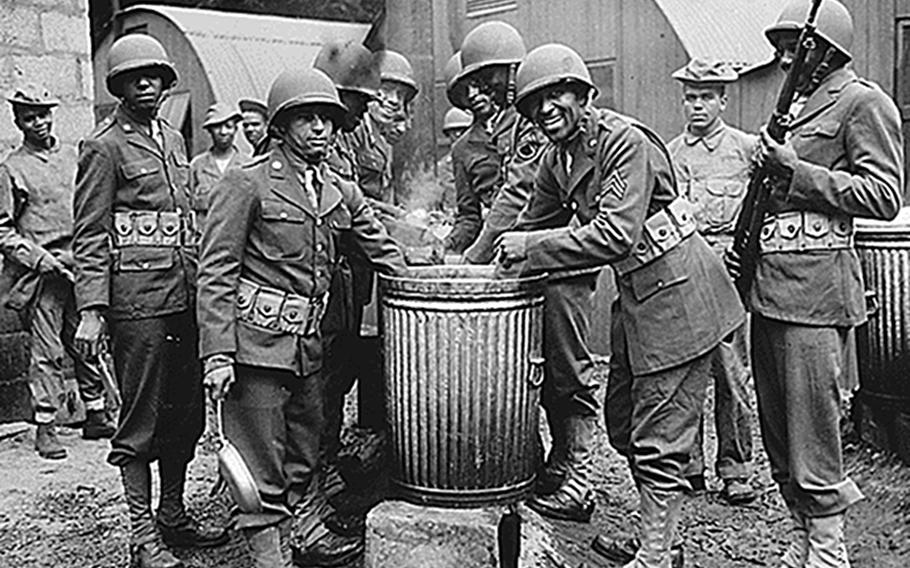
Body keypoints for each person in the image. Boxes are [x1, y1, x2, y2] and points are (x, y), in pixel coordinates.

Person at [494, 43, 744, 567]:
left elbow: (615, 234)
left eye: (557, 94)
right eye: (535, 102)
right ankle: (662, 539)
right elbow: (525, 224)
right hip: (638, 298)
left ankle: (655, 555)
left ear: (584, 95)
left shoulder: (622, 142)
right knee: (623, 422)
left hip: (679, 294)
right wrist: (470, 268)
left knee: (659, 433)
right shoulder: (557, 157)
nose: (546, 109)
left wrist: (531, 249)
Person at [196, 67, 407, 568]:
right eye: (306, 119)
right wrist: (217, 355)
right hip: (255, 348)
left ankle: (304, 536)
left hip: (310, 349)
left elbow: (385, 251)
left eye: (328, 120)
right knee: (259, 460)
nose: (320, 129)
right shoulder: (246, 184)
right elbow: (216, 271)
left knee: (306, 451)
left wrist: (437, 281)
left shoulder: (340, 191)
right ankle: (270, 556)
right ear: (281, 126)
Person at [736, 1, 903, 566]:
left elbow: (883, 195)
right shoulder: (797, 110)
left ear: (828, 49)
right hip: (770, 288)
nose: (784, 59)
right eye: (782, 47)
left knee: (813, 430)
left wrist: (794, 171)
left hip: (816, 293)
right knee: (778, 432)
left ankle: (829, 551)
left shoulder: (863, 102)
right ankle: (802, 540)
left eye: (795, 47)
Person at [71, 34, 227, 568]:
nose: (147, 84)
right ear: (118, 85)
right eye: (134, 77)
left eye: (155, 76)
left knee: (184, 415)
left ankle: (173, 515)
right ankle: (142, 538)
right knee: (139, 423)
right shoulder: (102, 146)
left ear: (165, 82)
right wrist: (92, 310)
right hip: (136, 306)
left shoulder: (174, 140)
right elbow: (89, 234)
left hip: (183, 297)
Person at [444, 22, 601, 525]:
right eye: (469, 86)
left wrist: (475, 259)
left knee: (565, 367)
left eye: (488, 80)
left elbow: (520, 193)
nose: (478, 93)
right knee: (516, 370)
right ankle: (536, 462)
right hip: (505, 265)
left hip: (554, 260)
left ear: (512, 75)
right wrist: (453, 250)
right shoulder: (467, 146)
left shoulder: (535, 121)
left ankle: (577, 472)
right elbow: (473, 210)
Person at [0, 83, 116, 460]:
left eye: (44, 114)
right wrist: (37, 258)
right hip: (44, 276)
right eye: (30, 117)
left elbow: (93, 208)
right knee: (48, 352)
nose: (39, 123)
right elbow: (2, 229)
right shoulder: (12, 168)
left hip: (81, 268)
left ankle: (96, 413)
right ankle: (46, 427)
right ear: (18, 122)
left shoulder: (74, 157)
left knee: (87, 341)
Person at [667, 58, 757, 505]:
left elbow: (762, 214)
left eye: (706, 97)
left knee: (731, 370)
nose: (697, 106)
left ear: (723, 100)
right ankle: (688, 467)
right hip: (683, 272)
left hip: (728, 272)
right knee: (686, 373)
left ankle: (736, 468)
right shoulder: (669, 155)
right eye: (690, 97)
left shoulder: (745, 150)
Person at [189, 102, 247, 230]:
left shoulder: (248, 165)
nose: (223, 132)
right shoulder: (197, 166)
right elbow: (188, 206)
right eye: (217, 127)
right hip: (204, 238)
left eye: (228, 126)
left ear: (236, 130)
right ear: (209, 130)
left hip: (239, 238)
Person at [437, 106, 473, 212]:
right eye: (453, 131)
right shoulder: (443, 166)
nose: (458, 135)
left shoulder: (481, 159)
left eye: (462, 131)